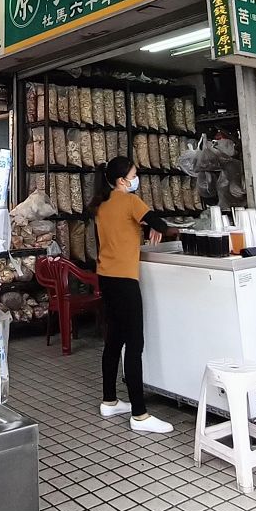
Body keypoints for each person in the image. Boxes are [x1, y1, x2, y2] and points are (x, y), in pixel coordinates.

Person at [88, 156, 173, 434]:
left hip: (106, 276)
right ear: (123, 180)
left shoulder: (101, 204)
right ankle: (140, 414)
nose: (137, 179)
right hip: (125, 280)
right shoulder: (131, 202)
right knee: (134, 345)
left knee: (113, 340)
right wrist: (159, 227)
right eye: (134, 175)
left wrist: (144, 227)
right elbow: (162, 226)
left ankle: (110, 400)